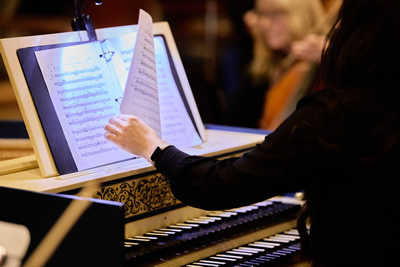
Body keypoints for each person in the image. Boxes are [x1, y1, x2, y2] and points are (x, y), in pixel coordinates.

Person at [104, 0, 400, 266]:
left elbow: (221, 184)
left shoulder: (334, 115)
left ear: (361, 34)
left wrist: (152, 147)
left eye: (342, 21)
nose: (333, 30)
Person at [227, 0, 326, 129]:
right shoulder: (265, 65)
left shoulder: (320, 68)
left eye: (275, 15)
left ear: (301, 15)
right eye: (262, 14)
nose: (265, 24)